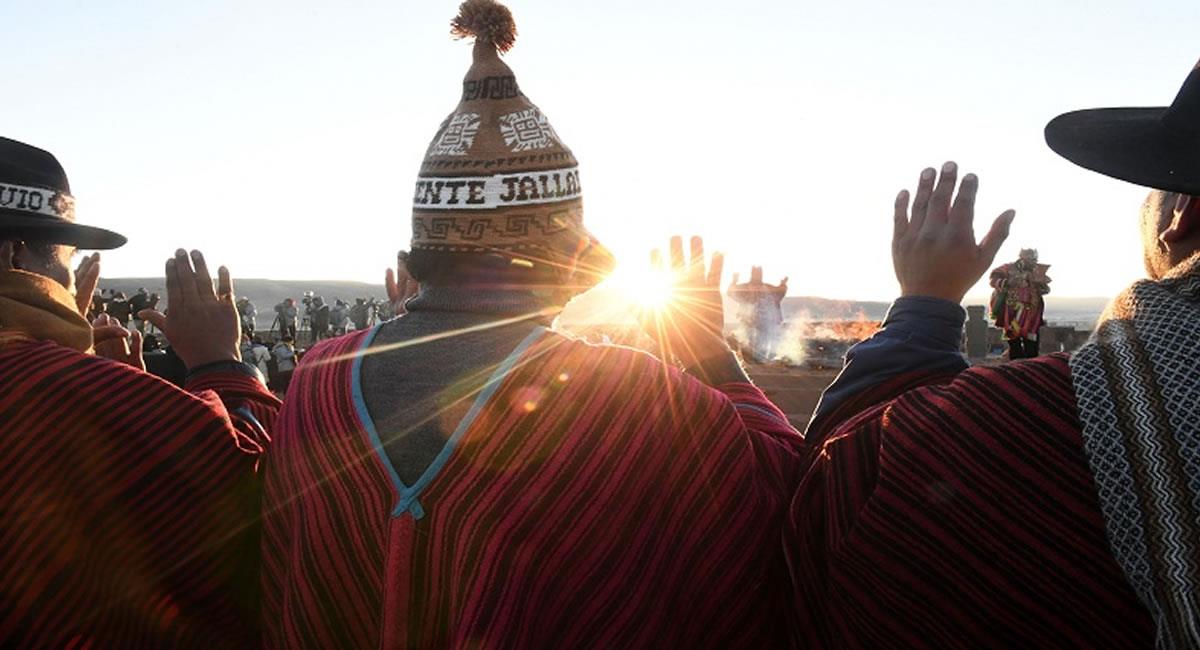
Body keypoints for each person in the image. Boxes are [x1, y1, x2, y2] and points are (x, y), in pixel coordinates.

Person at [260, 4, 803, 647]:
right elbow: (781, 502)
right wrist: (710, 355)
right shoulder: (624, 393)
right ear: (565, 262)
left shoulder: (315, 381)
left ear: (418, 260)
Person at [788, 63, 1200, 648]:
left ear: (1182, 212)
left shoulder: (1002, 430)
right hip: (1020, 330)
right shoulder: (1015, 282)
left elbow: (831, 495)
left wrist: (926, 303)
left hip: (1022, 352)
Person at [0, 136, 279, 647]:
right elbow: (262, 500)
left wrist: (86, 366)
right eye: (66, 257)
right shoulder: (60, 389)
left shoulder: (65, 383)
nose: (68, 276)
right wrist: (220, 363)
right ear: (18, 252)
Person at [989, 248, 1051, 359]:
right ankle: (1016, 364)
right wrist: (1008, 282)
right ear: (1022, 258)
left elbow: (1046, 289)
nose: (1033, 261)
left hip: (1032, 313)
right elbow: (993, 279)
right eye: (1030, 259)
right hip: (1013, 311)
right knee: (1014, 343)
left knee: (1032, 346)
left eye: (1034, 259)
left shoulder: (1037, 271)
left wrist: (1041, 284)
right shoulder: (1008, 268)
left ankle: (1031, 368)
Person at [727, 266, 788, 362]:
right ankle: (749, 358)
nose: (757, 276)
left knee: (763, 339)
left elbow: (779, 292)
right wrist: (734, 281)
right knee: (748, 338)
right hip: (749, 318)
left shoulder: (766, 288)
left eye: (758, 273)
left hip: (764, 320)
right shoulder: (746, 287)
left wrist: (783, 284)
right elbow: (731, 292)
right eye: (755, 273)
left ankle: (759, 358)